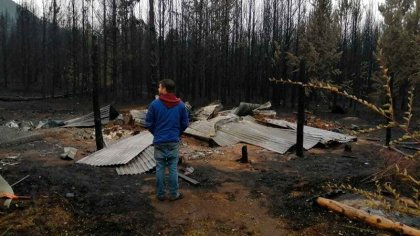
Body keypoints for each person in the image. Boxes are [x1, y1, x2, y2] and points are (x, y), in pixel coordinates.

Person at [145, 79, 189, 201]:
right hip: (173, 141)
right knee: (173, 168)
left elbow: (148, 123)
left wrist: (157, 133)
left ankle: (160, 195)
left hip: (159, 141)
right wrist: (177, 133)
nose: (158, 90)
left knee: (160, 168)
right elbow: (185, 123)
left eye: (159, 87)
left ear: (164, 89)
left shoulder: (154, 104)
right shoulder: (180, 105)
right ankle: (174, 194)